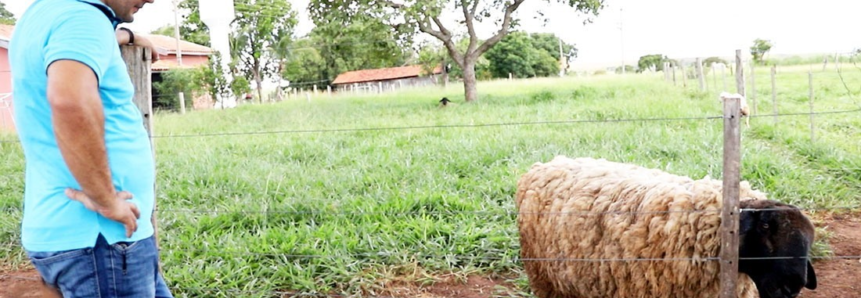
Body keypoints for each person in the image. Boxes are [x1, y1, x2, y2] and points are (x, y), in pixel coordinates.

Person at [9, 0, 172, 297]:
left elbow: (79, 46)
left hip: (89, 238)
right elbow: (70, 101)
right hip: (101, 240)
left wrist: (129, 36)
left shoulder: (49, 12)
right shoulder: (82, 18)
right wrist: (106, 199)